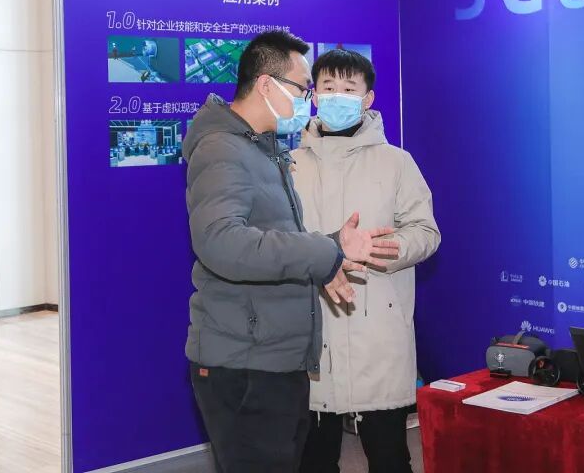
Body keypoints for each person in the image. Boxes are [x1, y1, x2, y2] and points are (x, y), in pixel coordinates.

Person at [183, 30, 400, 473]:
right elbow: (222, 242)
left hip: (273, 357)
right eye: (303, 88)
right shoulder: (223, 149)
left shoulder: (263, 150)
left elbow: (277, 237)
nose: (308, 100)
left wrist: (332, 248)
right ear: (266, 85)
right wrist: (323, 252)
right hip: (245, 363)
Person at [292, 49, 440, 473]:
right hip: (312, 334)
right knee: (313, 460)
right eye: (328, 87)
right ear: (314, 96)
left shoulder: (396, 162)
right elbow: (277, 243)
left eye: (349, 88)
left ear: (367, 98)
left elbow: (426, 232)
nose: (338, 95)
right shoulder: (290, 166)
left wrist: (385, 250)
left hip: (377, 334)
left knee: (389, 457)